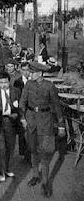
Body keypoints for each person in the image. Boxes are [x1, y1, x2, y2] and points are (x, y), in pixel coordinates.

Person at [19, 62, 65, 197]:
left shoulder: (50, 86)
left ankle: (45, 183)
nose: (29, 74)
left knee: (45, 154)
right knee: (33, 150)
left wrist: (61, 125)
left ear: (39, 74)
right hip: (31, 121)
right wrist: (22, 117)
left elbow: (57, 106)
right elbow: (22, 102)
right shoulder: (28, 84)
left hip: (46, 122)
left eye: (32, 72)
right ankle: (35, 175)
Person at [0, 72, 21, 182]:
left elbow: (20, 107)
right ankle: (0, 171)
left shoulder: (16, 91)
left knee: (10, 147)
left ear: (9, 82)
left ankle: (7, 168)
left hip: (11, 122)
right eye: (1, 82)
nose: (3, 85)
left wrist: (17, 114)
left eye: (6, 82)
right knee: (1, 149)